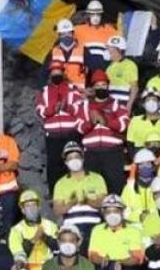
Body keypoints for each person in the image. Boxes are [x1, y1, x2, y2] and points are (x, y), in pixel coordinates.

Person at [35, 60, 85, 188]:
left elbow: (79, 107)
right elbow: (40, 110)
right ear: (50, 75)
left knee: (74, 162)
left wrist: (66, 107)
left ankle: (77, 188)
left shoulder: (71, 89)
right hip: (53, 135)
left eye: (58, 72)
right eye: (53, 73)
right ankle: (56, 194)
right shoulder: (44, 91)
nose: (56, 75)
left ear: (63, 73)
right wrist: (53, 109)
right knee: (54, 166)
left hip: (71, 133)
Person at [79, 70, 130, 193]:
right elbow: (79, 127)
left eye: (104, 85)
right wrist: (91, 122)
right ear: (93, 87)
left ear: (108, 86)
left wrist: (106, 121)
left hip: (112, 152)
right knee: (92, 189)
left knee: (116, 186)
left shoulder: (116, 104)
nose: (101, 88)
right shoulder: (86, 106)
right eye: (98, 85)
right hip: (91, 153)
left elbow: (124, 124)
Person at [52, 142, 106, 245]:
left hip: (95, 227)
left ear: (82, 158)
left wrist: (87, 200)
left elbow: (103, 203)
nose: (74, 160)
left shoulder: (97, 178)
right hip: (71, 229)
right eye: (70, 158)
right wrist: (71, 203)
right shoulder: (60, 183)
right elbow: (57, 210)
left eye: (76, 156)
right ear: (66, 162)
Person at [126, 92, 160, 157]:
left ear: (159, 103)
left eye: (154, 100)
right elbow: (129, 144)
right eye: (148, 100)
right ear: (143, 104)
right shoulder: (135, 121)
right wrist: (136, 160)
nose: (151, 102)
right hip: (141, 155)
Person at [75, 0, 119, 72]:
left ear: (101, 14)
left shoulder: (111, 31)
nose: (95, 17)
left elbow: (117, 51)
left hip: (104, 70)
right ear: (88, 14)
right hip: (84, 70)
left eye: (98, 14)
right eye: (93, 14)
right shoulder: (78, 30)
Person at [48, 19, 87, 87]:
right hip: (60, 91)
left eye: (69, 33)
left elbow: (91, 71)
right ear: (59, 35)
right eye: (63, 34)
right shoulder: (53, 52)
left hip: (79, 91)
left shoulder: (84, 50)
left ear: (73, 33)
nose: (66, 36)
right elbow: (44, 73)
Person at [104, 35, 140, 107]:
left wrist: (129, 106)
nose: (107, 51)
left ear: (119, 50)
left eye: (110, 49)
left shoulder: (130, 65)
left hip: (123, 103)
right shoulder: (109, 67)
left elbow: (134, 88)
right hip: (111, 103)